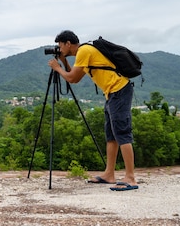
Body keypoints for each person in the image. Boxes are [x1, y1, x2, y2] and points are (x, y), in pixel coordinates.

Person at [47, 30, 138, 191]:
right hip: (112, 93)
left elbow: (72, 78)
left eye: (60, 45)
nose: (59, 49)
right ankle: (109, 174)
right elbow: (76, 75)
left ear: (68, 43)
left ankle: (130, 177)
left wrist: (57, 68)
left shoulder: (84, 51)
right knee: (111, 136)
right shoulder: (85, 51)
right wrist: (63, 63)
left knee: (122, 133)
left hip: (119, 91)